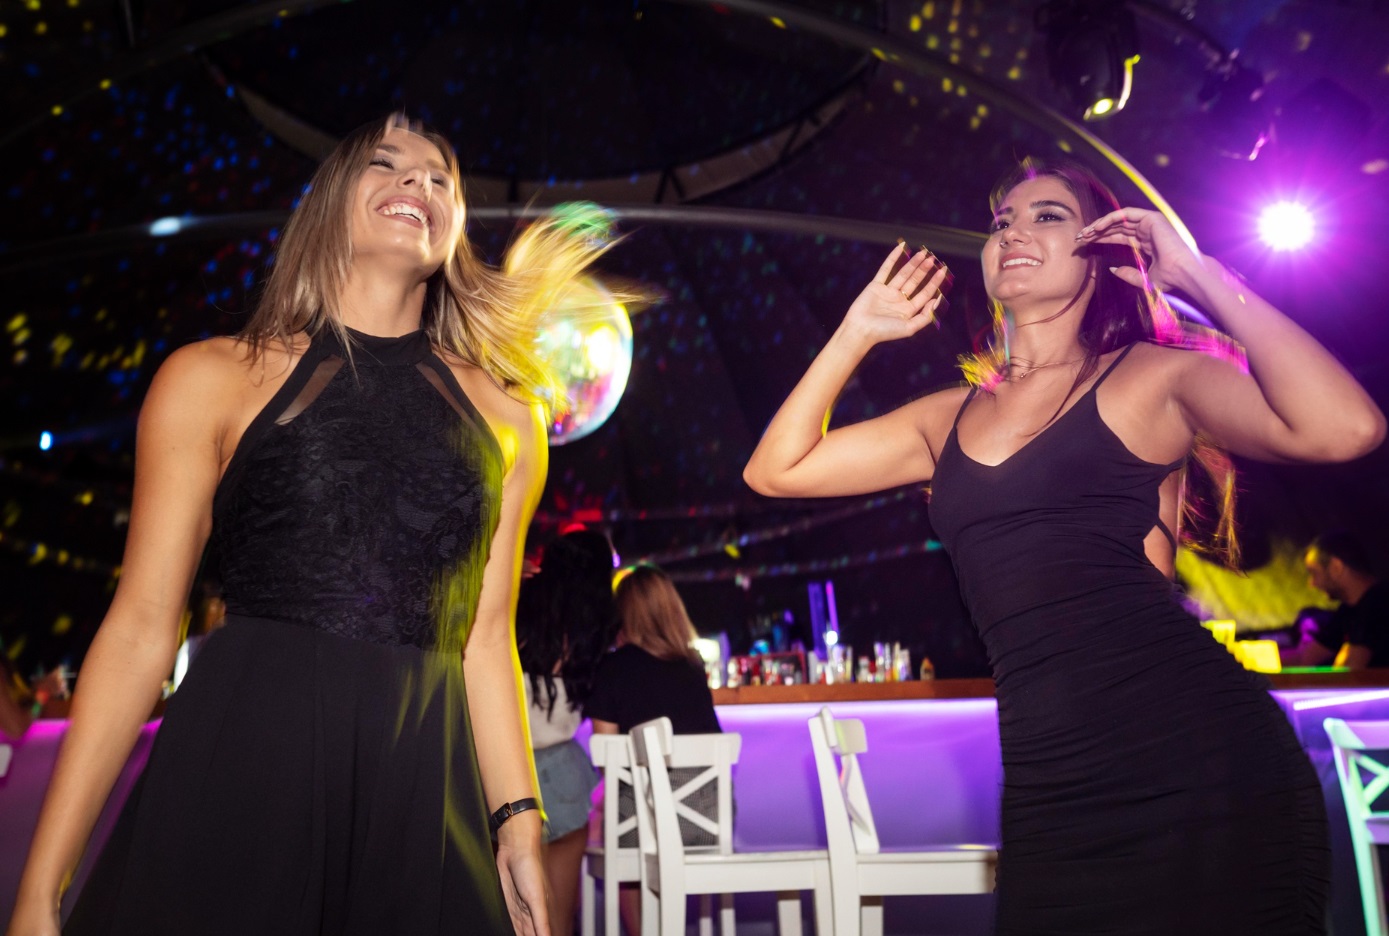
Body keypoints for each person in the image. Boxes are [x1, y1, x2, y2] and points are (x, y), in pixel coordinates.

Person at [7, 113, 627, 936]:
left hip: (420, 797)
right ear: (330, 203)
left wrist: (517, 826)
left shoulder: (509, 420)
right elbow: (141, 630)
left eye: (441, 179)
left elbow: (483, 640)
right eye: (387, 164)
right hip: (242, 774)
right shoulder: (209, 378)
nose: (420, 184)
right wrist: (38, 889)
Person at [744, 158, 1385, 934]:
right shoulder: (943, 418)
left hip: (1199, 765)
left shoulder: (1151, 378)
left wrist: (1200, 274)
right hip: (1051, 791)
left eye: (1045, 214)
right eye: (1000, 221)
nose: (1012, 229)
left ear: (1101, 252)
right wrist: (855, 334)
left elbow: (1345, 428)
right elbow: (775, 470)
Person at [586, 563, 721, 936]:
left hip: (641, 827)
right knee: (633, 817)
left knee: (613, 814)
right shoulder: (693, 668)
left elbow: (607, 766)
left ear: (623, 613)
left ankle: (641, 933)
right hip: (706, 823)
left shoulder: (611, 668)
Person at [515, 528, 621, 936]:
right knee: (557, 918)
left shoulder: (518, 604)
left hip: (506, 771)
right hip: (564, 776)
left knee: (509, 911)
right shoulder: (595, 628)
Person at [1292, 531, 1389, 669]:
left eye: (1314, 573)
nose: (1312, 583)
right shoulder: (1347, 610)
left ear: (1336, 567)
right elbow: (1305, 658)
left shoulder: (1379, 603)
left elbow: (1351, 671)